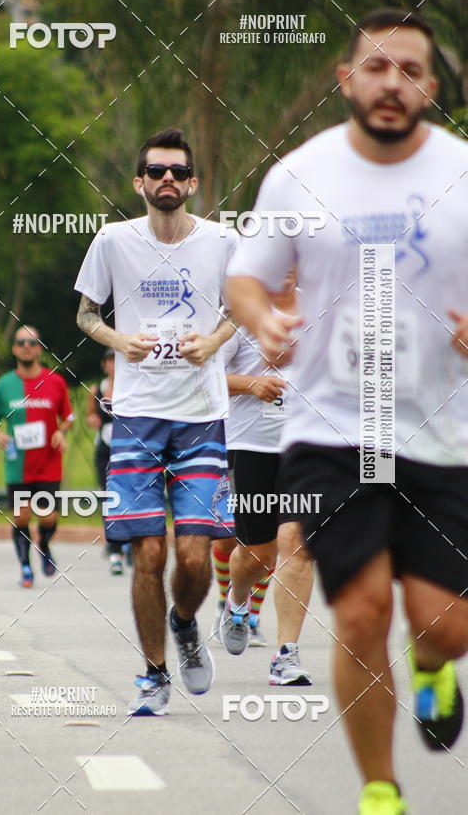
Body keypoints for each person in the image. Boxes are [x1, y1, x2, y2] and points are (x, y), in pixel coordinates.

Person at [227, 9, 468, 815]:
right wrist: (261, 321)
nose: (392, 83)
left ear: (430, 85)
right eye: (376, 67)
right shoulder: (300, 175)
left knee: (445, 626)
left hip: (443, 431)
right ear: (346, 79)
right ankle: (379, 789)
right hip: (330, 427)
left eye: (409, 70)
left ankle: (434, 666)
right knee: (360, 612)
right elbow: (246, 277)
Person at [75, 127, 237, 716]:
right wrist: (124, 342)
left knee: (193, 558)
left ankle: (186, 623)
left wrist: (212, 342)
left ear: (192, 184)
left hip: (200, 416)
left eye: (177, 171)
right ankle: (153, 672)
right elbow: (86, 313)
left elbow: (241, 313)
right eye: (156, 170)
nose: (167, 179)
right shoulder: (114, 240)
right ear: (140, 182)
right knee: (148, 552)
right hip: (139, 416)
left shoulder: (221, 241)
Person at [217, 273, 314, 684]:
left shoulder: (322, 305)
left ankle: (286, 654)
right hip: (252, 444)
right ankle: (237, 601)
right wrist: (250, 383)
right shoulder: (241, 310)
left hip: (308, 445)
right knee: (258, 553)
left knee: (296, 543)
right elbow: (204, 377)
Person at [0, 325, 73, 587]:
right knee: (21, 517)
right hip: (18, 464)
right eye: (21, 342)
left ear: (39, 349)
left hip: (48, 463)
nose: (26, 346)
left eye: (32, 343)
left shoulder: (55, 381)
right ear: (14, 348)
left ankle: (44, 544)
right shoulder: (4, 385)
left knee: (48, 517)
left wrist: (61, 432)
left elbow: (67, 417)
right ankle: (25, 566)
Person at [85, 348, 127, 575]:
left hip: (128, 448)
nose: (113, 365)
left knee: (129, 494)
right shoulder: (96, 389)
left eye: (116, 360)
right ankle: (114, 548)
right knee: (109, 496)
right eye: (109, 361)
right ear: (104, 365)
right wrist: (93, 420)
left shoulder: (131, 388)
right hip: (105, 448)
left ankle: (128, 539)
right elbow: (90, 414)